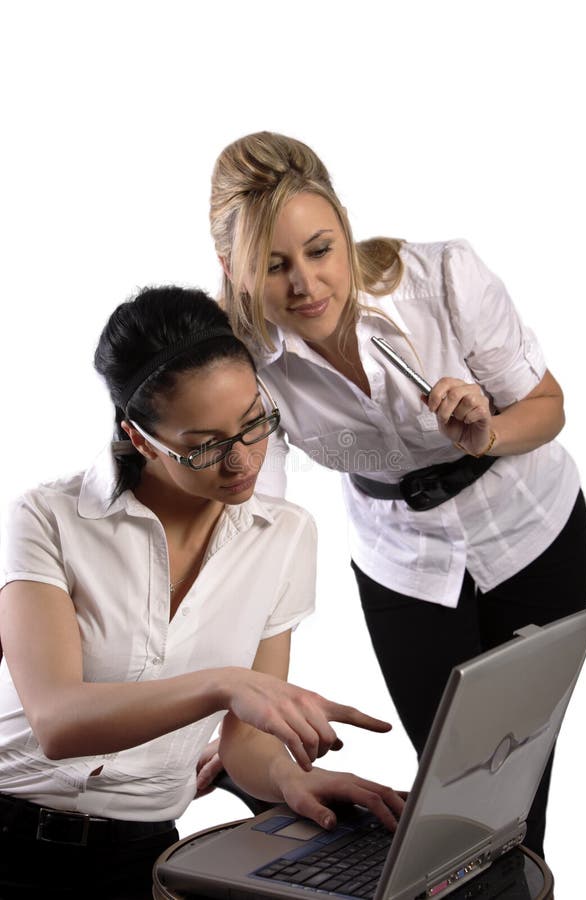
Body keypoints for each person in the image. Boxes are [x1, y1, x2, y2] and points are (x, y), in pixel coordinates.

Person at [208, 131, 586, 858]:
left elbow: (549, 407)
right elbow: (263, 522)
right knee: (456, 791)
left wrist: (486, 432)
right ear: (233, 270)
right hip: (403, 559)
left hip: (531, 528)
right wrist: (234, 711)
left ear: (344, 231)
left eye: (321, 250)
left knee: (520, 781)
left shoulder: (442, 279)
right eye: (274, 265)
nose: (306, 285)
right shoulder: (241, 355)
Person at [0, 286, 404, 900]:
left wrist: (288, 779)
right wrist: (226, 684)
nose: (241, 461)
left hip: (144, 852)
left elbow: (245, 741)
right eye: (205, 445)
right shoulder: (48, 517)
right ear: (140, 439)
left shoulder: (284, 536)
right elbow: (58, 721)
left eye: (254, 424)